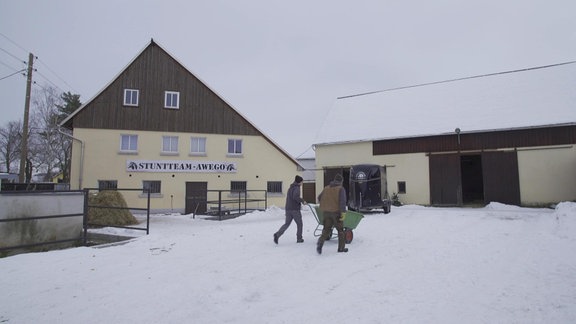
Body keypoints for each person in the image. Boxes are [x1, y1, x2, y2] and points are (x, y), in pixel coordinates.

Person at [316, 173, 348, 254]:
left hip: (326, 213)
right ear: (341, 181)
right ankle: (341, 248)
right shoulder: (341, 189)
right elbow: (342, 202)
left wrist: (327, 204)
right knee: (340, 230)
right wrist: (343, 212)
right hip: (336, 213)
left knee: (326, 229)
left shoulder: (326, 188)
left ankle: (320, 242)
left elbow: (319, 198)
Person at [273, 175, 306, 244]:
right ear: (299, 182)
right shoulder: (297, 188)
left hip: (288, 209)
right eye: (302, 182)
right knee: (300, 224)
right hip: (295, 209)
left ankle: (277, 234)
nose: (302, 183)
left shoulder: (290, 188)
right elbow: (295, 197)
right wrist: (302, 201)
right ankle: (299, 238)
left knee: (287, 224)